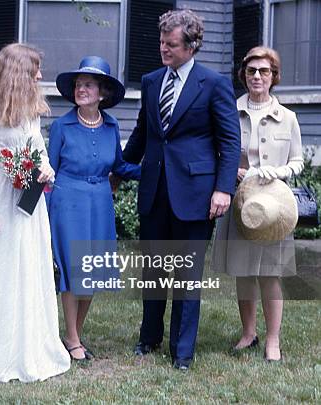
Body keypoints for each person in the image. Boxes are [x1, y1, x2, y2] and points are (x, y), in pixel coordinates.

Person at [122, 10, 241, 370]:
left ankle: (183, 351)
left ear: (192, 46)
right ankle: (149, 338)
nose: (163, 49)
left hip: (197, 195)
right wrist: (117, 169)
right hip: (155, 189)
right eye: (161, 42)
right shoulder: (151, 80)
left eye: (171, 44)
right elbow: (143, 133)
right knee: (154, 271)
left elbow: (230, 141)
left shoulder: (214, 84)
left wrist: (223, 190)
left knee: (188, 276)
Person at [0, 43, 70, 382]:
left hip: (29, 202)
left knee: (30, 268)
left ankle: (31, 347)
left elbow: (37, 147)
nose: (40, 76)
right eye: (33, 70)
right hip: (1, 202)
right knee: (0, 273)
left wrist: (45, 169)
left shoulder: (30, 110)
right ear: (15, 73)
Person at [212, 46, 303, 362]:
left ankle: (273, 339)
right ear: (244, 75)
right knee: (244, 272)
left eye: (264, 71)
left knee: (270, 273)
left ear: (273, 76)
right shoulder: (228, 111)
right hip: (242, 203)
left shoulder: (287, 117)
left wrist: (278, 172)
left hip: (275, 208)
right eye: (251, 71)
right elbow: (219, 155)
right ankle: (249, 333)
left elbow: (298, 161)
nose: (257, 76)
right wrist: (240, 172)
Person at [47, 56, 140, 361]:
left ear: (103, 93)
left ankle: (75, 334)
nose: (81, 89)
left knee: (92, 270)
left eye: (88, 85)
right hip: (67, 199)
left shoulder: (111, 125)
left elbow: (119, 165)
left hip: (99, 199)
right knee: (74, 270)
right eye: (78, 84)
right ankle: (73, 340)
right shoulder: (62, 126)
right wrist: (44, 215)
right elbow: (48, 173)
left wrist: (151, 169)